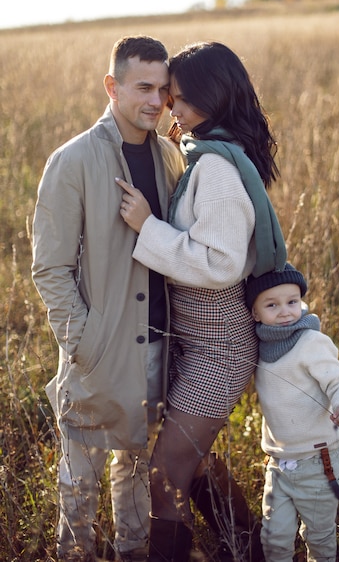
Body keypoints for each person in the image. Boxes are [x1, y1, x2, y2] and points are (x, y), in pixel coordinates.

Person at [115, 40, 287, 561]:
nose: (172, 106)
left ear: (212, 97)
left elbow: (221, 264)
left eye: (181, 98)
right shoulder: (206, 153)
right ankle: (250, 549)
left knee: (167, 474)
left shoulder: (216, 169)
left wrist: (148, 226)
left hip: (219, 349)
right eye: (169, 96)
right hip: (196, 344)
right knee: (196, 463)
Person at [31, 35, 185, 562]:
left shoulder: (169, 156)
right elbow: (50, 268)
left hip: (158, 349)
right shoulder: (71, 160)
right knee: (79, 485)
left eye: (163, 90)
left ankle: (133, 554)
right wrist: (85, 342)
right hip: (96, 352)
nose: (154, 101)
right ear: (111, 86)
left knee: (136, 476)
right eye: (143, 87)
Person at [245, 263, 339, 562]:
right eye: (272, 305)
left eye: (292, 302)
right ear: (255, 313)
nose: (285, 311)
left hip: (318, 462)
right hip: (279, 463)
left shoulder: (310, 342)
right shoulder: (258, 347)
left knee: (318, 537)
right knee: (274, 537)